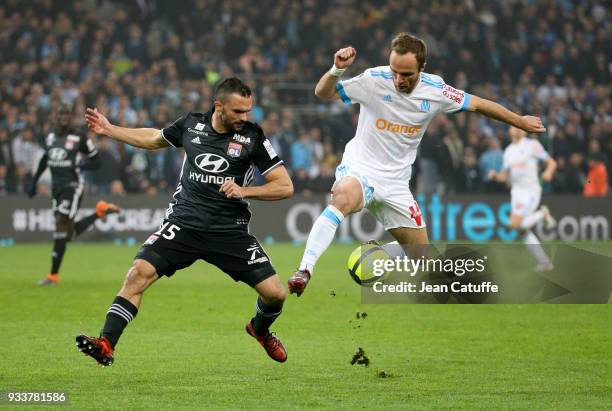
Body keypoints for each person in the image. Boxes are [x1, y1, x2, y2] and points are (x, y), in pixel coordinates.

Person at [288, 32, 546, 295]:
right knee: (342, 198)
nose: (398, 79)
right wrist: (336, 69)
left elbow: (479, 104)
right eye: (395, 71)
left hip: (397, 184)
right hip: (361, 169)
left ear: (422, 68)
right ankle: (304, 270)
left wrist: (520, 121)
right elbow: (323, 93)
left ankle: (380, 255)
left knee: (422, 258)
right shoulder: (374, 80)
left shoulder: (437, 90)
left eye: (406, 74)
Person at [76, 78, 293, 365]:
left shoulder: (253, 137)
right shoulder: (191, 125)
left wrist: (244, 190)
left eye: (248, 111)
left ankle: (260, 329)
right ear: (219, 106)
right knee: (138, 273)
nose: (245, 117)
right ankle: (106, 343)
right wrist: (110, 129)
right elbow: (153, 139)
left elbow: (284, 186)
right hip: (184, 224)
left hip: (229, 231)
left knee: (276, 295)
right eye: (238, 111)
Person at [29, 104, 121, 286]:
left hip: (73, 185)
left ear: (70, 117)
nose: (63, 117)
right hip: (56, 187)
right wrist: (34, 182)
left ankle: (52, 276)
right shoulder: (49, 137)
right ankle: (99, 212)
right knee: (68, 233)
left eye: (66, 114)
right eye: (60, 113)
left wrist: (79, 166)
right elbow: (44, 160)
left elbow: (96, 162)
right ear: (55, 116)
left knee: (61, 224)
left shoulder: (80, 137)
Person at [488, 127, 557, 271]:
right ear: (509, 130)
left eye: (520, 127)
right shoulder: (508, 151)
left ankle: (542, 214)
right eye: (514, 126)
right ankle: (545, 263)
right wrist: (495, 176)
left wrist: (549, 171)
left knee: (514, 224)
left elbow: (551, 162)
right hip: (516, 193)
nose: (517, 129)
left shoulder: (532, 145)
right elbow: (504, 177)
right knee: (522, 230)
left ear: (525, 130)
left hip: (530, 191)